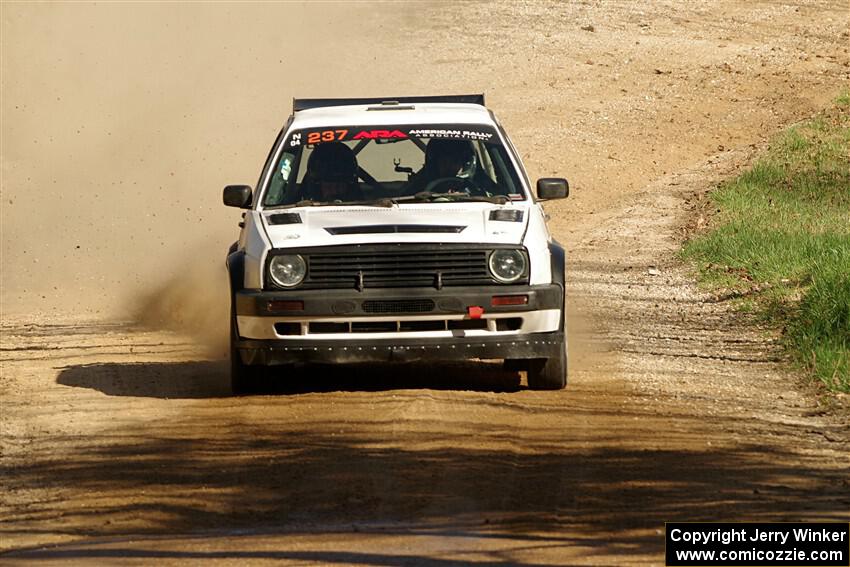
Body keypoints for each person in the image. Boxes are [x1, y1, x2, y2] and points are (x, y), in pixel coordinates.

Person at [404, 138, 497, 195]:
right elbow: (402, 200)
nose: (450, 166)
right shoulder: (420, 184)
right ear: (434, 163)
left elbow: (501, 197)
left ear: (465, 163)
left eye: (455, 161)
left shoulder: (479, 185)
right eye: (444, 161)